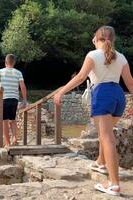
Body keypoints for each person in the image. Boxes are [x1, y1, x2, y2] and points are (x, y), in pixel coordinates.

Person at [54, 26, 133, 196]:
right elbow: (130, 83)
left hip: (102, 94)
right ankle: (100, 162)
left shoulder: (93, 54)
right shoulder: (121, 57)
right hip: (119, 96)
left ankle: (114, 185)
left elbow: (81, 77)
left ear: (96, 39)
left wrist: (61, 91)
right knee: (105, 134)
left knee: (107, 138)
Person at [0, 54, 28, 148]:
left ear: (5, 62)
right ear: (14, 62)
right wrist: (24, 100)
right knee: (12, 119)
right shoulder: (18, 73)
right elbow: (22, 86)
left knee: (4, 121)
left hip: (3, 98)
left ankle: (7, 143)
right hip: (14, 98)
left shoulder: (1, 71)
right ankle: (14, 138)